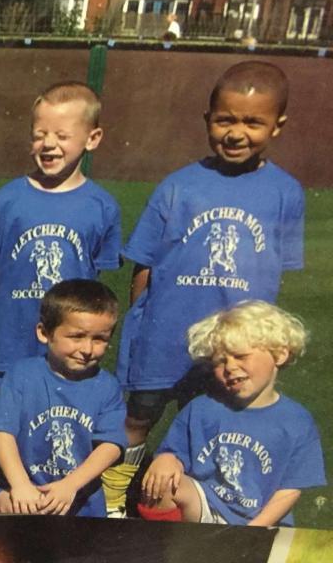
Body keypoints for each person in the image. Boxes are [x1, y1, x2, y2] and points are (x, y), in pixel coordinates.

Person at [104, 61, 304, 517]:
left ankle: (201, 510)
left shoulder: (286, 193)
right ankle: (112, 500)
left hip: (231, 349)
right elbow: (145, 266)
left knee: (212, 426)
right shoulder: (179, 185)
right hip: (165, 338)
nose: (236, 133)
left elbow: (278, 273)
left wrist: (259, 344)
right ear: (207, 119)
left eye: (253, 122)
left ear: (278, 126)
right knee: (137, 418)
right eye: (225, 119)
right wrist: (143, 327)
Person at [0, 82, 121, 384]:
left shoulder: (101, 206)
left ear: (92, 139)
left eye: (62, 136)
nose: (48, 144)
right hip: (12, 344)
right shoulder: (7, 199)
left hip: (71, 349)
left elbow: (94, 279)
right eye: (39, 135)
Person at [139, 301, 324, 526]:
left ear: (280, 354)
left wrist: (253, 530)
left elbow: (291, 489)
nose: (230, 367)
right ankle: (165, 544)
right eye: (220, 361)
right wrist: (166, 459)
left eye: (241, 356)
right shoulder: (203, 408)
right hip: (205, 507)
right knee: (162, 481)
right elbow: (173, 452)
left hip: (261, 520)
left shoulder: (296, 420)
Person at [0, 279, 126, 517]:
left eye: (100, 339)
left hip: (78, 498)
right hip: (21, 491)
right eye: (77, 336)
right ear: (44, 333)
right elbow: (0, 431)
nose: (88, 349)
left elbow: (110, 446)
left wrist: (71, 485)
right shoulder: (22, 374)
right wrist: (20, 485)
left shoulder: (107, 386)